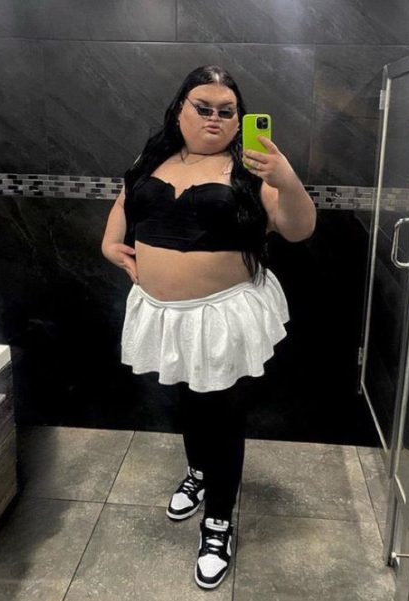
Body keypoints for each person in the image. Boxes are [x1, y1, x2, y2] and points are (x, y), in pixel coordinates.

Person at [101, 65, 316, 589]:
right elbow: (127, 200)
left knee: (222, 414)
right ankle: (198, 473)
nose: (214, 118)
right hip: (163, 314)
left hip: (222, 314)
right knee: (187, 398)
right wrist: (109, 243)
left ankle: (218, 521)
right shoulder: (152, 158)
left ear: (239, 120)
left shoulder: (251, 167)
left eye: (227, 110)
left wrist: (286, 179)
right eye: (203, 107)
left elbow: (298, 228)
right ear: (180, 109)